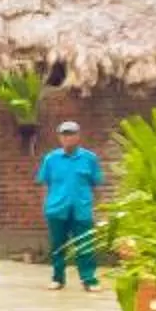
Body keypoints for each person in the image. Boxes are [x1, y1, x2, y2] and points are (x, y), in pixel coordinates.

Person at [38, 119, 105, 291]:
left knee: (86, 246)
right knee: (57, 246)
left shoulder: (89, 158)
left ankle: (89, 279)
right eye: (64, 135)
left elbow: (97, 185)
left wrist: (99, 209)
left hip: (82, 210)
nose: (68, 138)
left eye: (71, 134)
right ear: (59, 138)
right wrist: (46, 207)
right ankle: (58, 278)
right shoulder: (51, 159)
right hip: (57, 209)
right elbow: (45, 184)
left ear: (78, 136)